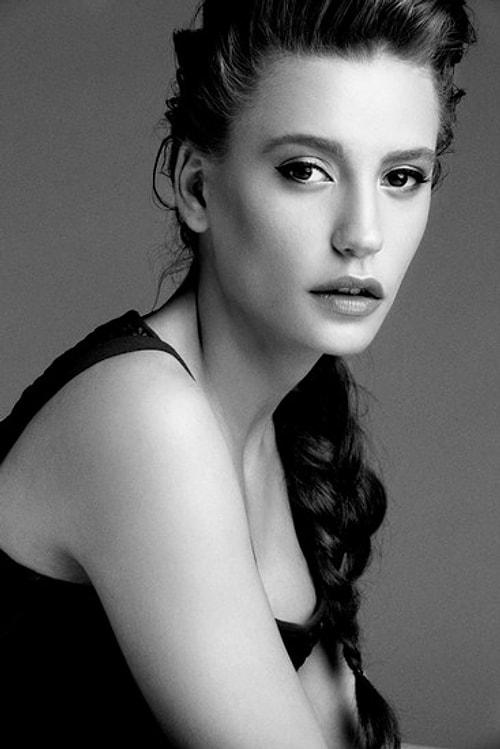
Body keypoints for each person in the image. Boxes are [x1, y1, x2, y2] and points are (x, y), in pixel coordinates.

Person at [0, 1, 475, 747]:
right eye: (305, 170)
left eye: (402, 176)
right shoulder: (142, 416)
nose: (363, 234)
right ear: (196, 188)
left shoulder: (288, 415)